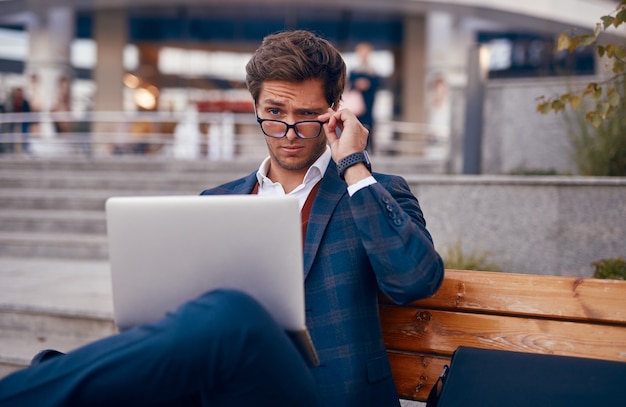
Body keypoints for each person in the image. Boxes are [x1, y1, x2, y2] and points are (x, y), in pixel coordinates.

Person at [0, 30, 444, 407]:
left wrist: (356, 166)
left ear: (336, 111)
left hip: (328, 396)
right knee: (212, 322)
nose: (289, 132)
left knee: (233, 314)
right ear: (255, 108)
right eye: (274, 114)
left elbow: (415, 280)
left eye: (307, 116)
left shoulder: (373, 190)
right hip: (231, 392)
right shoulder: (216, 201)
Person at [348, 42, 381, 152]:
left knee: (369, 124)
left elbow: (377, 84)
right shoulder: (354, 70)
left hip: (369, 101)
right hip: (357, 103)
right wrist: (358, 84)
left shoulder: (373, 70)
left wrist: (368, 84)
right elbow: (349, 84)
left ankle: (369, 147)